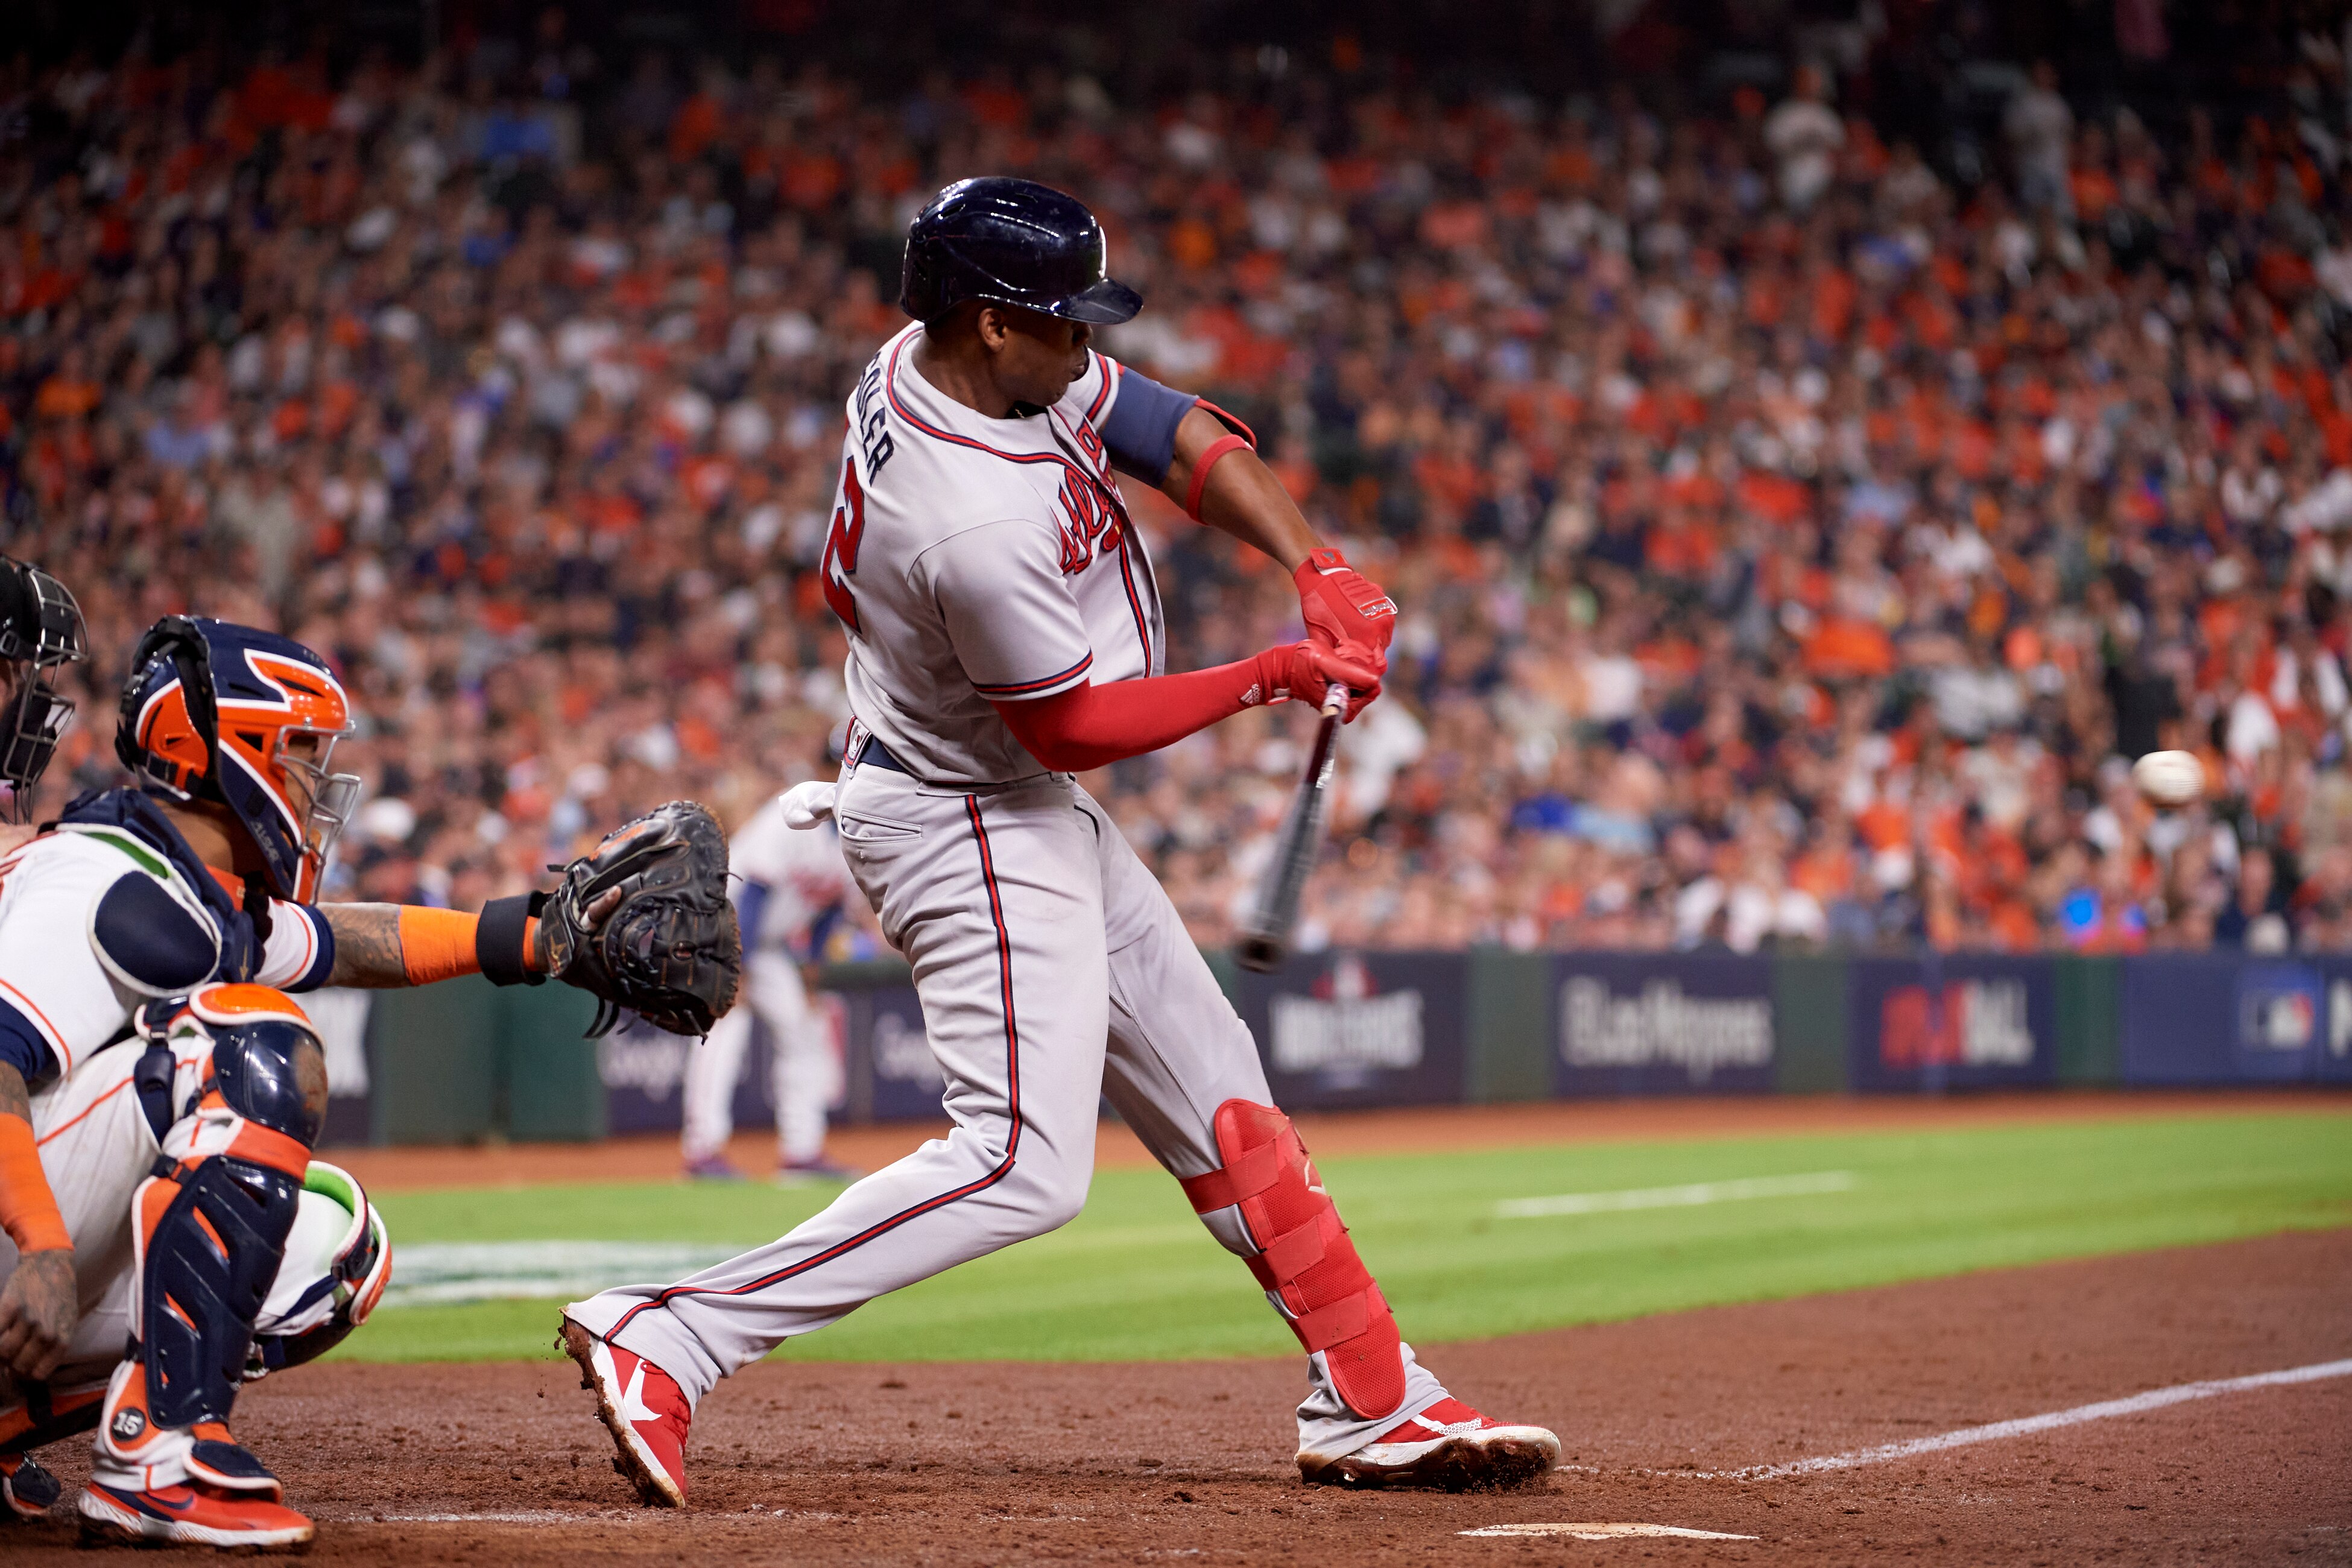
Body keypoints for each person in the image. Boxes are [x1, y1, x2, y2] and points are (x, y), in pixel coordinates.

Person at [560, 177, 1559, 1506]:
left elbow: (1164, 427)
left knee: (1223, 1091)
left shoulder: (964, 364)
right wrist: (1271, 672)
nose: (1088, 346)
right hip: (963, 810)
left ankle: (1374, 1398)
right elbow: (1073, 726)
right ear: (987, 321)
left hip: (996, 792)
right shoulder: (967, 515)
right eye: (1063, 321)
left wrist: (1313, 562)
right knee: (1022, 1165)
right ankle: (675, 1331)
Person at [0, 614, 658, 1547]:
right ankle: (159, 1454)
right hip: (7, 1230)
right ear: (228, 751)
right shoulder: (103, 878)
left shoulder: (189, 882)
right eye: (301, 750)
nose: (318, 780)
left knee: (334, 1249)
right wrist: (40, 1244)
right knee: (253, 1041)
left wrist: (531, 936)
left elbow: (347, 940)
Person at [678, 785, 855, 1183]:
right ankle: (702, 1151)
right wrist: (736, 968)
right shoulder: (795, 820)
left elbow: (831, 908)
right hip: (719, 926)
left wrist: (813, 974)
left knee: (804, 1031)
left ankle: (802, 1151)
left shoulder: (857, 833)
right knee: (725, 1029)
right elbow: (752, 895)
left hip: (769, 944)